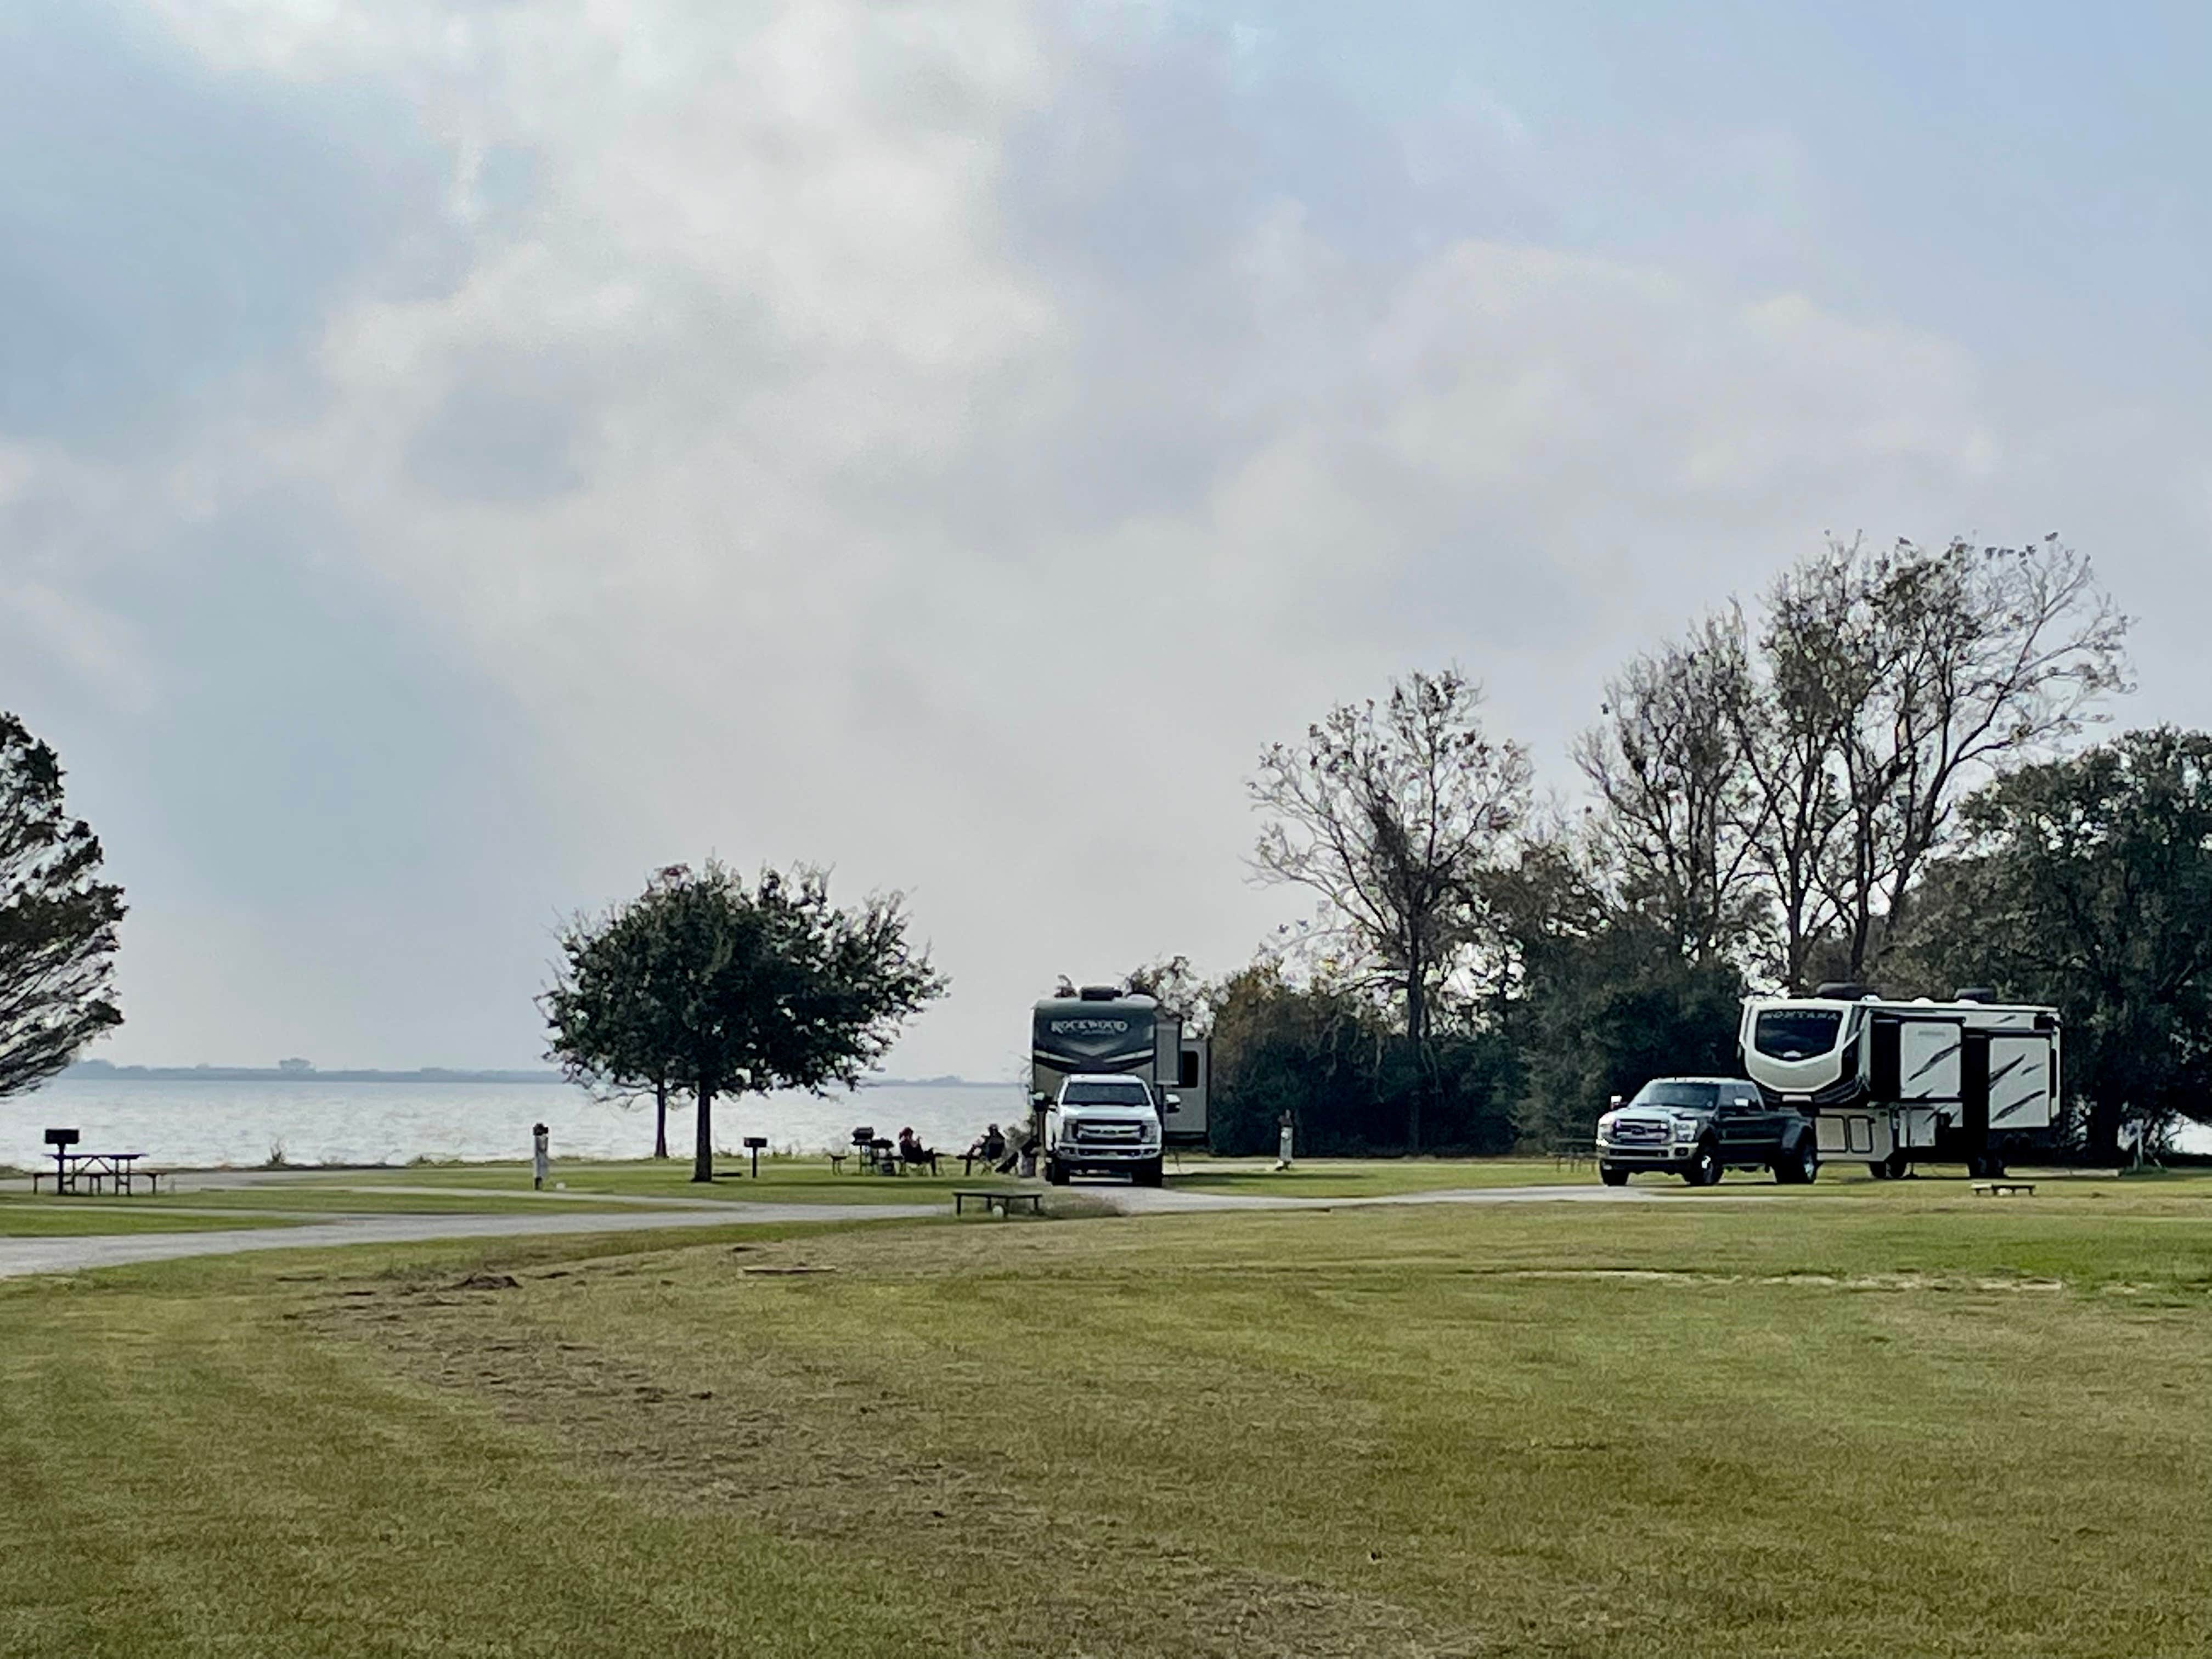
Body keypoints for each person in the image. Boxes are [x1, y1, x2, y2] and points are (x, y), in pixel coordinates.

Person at [532, 1121, 551, 1190]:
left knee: (541, 1171)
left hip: (542, 1156)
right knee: (538, 1171)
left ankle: (539, 1185)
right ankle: (537, 1186)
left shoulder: (544, 1138)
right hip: (539, 1156)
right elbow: (540, 1148)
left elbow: (544, 1147)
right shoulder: (538, 1138)